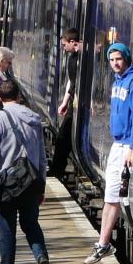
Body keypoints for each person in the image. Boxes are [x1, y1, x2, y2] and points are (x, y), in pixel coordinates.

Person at [0, 80, 53, 264]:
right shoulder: (35, 119)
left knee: (7, 232)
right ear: (19, 95)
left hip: (6, 185)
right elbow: (41, 157)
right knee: (31, 225)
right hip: (30, 183)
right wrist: (41, 185)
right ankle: (41, 257)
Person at [84, 43, 133, 264]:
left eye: (119, 59)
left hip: (127, 145)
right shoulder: (119, 81)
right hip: (118, 144)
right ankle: (103, 243)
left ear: (126, 58)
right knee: (110, 195)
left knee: (115, 195)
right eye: (112, 60)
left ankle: (104, 243)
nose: (116, 63)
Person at [50, 28, 81, 179]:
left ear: (72, 42)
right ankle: (57, 169)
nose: (62, 48)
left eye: (64, 45)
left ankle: (56, 170)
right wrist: (64, 102)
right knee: (63, 136)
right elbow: (72, 81)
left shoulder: (81, 58)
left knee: (63, 137)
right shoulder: (72, 58)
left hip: (78, 104)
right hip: (72, 103)